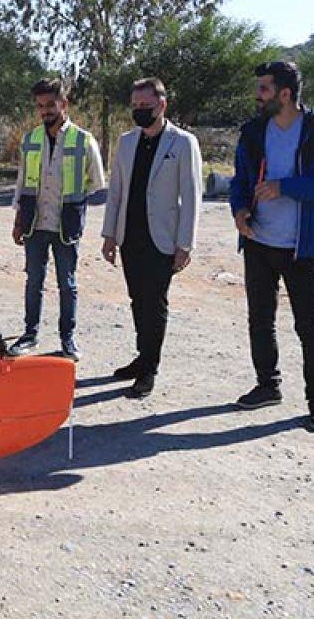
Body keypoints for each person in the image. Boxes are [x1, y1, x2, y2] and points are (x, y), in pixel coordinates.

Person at [229, 61, 314, 433]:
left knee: (310, 328)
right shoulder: (253, 132)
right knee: (259, 320)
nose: (258, 96)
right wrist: (240, 210)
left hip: (302, 247)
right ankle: (268, 385)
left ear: (285, 93)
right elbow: (240, 179)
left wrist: (286, 187)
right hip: (259, 242)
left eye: (264, 89)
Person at [101, 77, 203, 397]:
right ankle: (142, 357)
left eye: (146, 105)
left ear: (162, 104)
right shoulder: (127, 142)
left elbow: (191, 195)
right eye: (135, 106)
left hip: (163, 239)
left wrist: (185, 244)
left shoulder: (183, 143)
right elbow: (115, 191)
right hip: (130, 236)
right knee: (136, 300)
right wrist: (109, 235)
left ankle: (149, 370)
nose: (140, 111)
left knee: (154, 303)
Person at [10, 78, 106, 359]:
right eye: (40, 106)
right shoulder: (31, 140)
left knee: (67, 282)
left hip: (66, 224)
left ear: (64, 104)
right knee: (33, 281)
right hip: (34, 223)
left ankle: (67, 339)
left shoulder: (83, 140)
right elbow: (21, 181)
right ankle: (30, 334)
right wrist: (18, 220)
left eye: (51, 104)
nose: (45, 111)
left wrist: (72, 202)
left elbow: (96, 183)